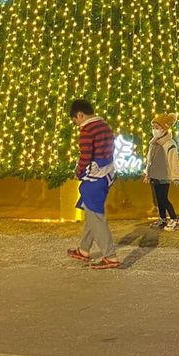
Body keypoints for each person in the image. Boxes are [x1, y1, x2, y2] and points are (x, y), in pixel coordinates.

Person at [65, 98, 119, 270]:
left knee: (96, 216)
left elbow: (86, 156)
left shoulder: (87, 130)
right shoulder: (105, 126)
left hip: (94, 177)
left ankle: (110, 256)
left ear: (80, 115)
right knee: (91, 212)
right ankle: (84, 249)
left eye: (75, 120)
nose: (76, 124)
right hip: (107, 173)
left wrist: (79, 172)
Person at [144, 114, 179, 230]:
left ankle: (175, 220)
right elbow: (149, 159)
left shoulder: (170, 144)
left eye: (157, 127)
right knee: (158, 199)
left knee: (164, 198)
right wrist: (147, 173)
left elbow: (173, 161)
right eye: (153, 127)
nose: (154, 130)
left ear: (164, 128)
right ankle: (163, 219)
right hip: (155, 175)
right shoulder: (153, 143)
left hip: (164, 176)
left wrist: (176, 177)